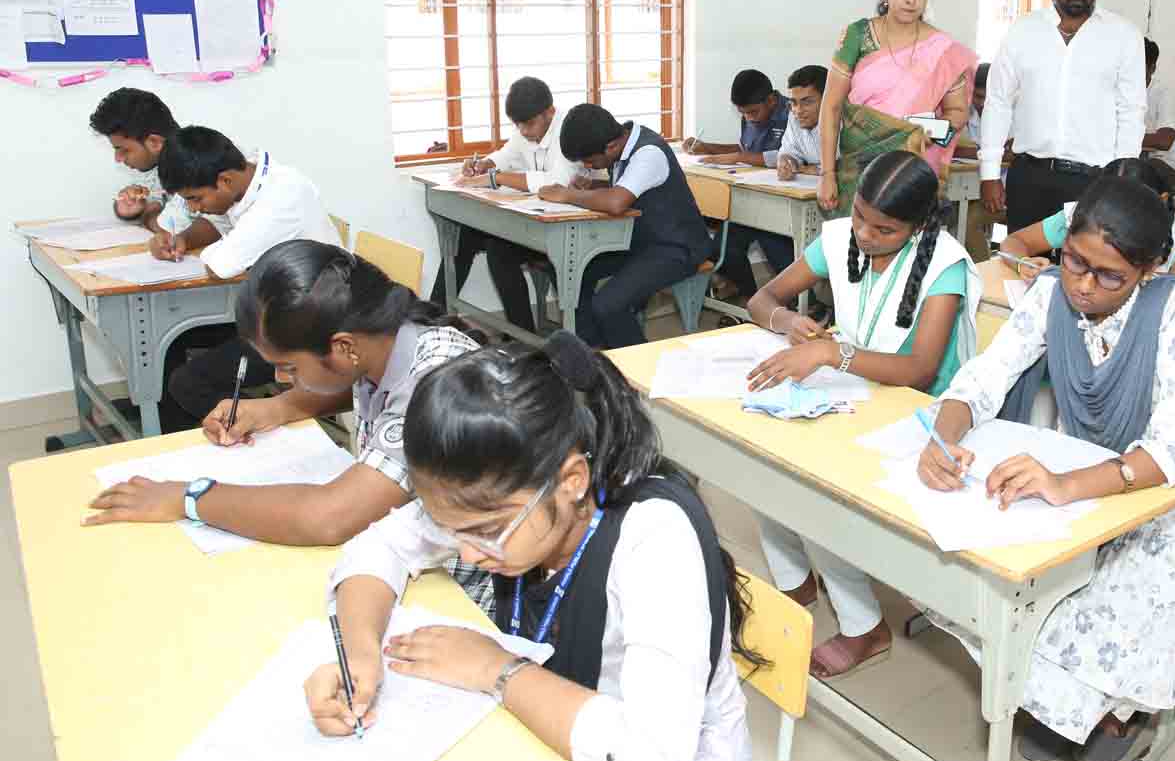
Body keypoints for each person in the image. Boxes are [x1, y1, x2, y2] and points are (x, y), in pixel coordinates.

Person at [305, 335, 801, 761]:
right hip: (546, 748)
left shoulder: (656, 542)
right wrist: (360, 653)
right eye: (450, 529)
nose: (468, 554)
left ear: (572, 481)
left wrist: (497, 670)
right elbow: (382, 544)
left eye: (486, 531)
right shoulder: (508, 498)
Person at [916, 175, 1175, 761]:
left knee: (1113, 606)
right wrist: (942, 438)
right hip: (1078, 482)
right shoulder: (1050, 293)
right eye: (1075, 261)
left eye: (1109, 277)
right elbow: (986, 376)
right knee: (994, 581)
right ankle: (1066, 702)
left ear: (1149, 270)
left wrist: (1064, 486)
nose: (1082, 284)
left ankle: (1117, 708)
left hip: (1155, 502)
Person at [84, 242, 494, 607]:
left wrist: (189, 498)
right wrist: (275, 409)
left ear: (343, 347)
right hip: (406, 559)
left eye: (290, 368)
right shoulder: (382, 340)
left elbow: (330, 516)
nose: (282, 379)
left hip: (468, 597)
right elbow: (362, 385)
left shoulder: (437, 382)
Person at [745, 151, 982, 679]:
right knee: (760, 459)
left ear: (918, 225)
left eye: (884, 229)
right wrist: (785, 320)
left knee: (821, 492)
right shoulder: (839, 239)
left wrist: (834, 354)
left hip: (922, 414)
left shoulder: (946, 265)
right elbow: (764, 297)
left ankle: (864, 626)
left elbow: (920, 370)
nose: (865, 234)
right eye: (858, 216)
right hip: (855, 395)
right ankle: (794, 582)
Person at [152, 127, 344, 431]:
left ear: (225, 181)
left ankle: (258, 429)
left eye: (195, 198)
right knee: (174, 343)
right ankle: (191, 437)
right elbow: (215, 227)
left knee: (187, 383)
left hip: (313, 328)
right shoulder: (246, 184)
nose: (194, 208)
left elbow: (220, 265)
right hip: (278, 312)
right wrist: (185, 239)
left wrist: (221, 246)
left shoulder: (282, 196)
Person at [977, 0, 1147, 234]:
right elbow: (998, 102)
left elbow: (1131, 112)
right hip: (1030, 178)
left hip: (1094, 184)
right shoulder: (1023, 32)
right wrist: (989, 172)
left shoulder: (1124, 36)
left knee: (1086, 263)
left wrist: (1122, 180)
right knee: (1022, 260)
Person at [816, 0, 976, 214]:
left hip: (909, 170)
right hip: (855, 167)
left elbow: (958, 113)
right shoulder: (858, 35)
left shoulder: (943, 49)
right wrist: (827, 174)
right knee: (852, 236)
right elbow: (831, 106)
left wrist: (926, 133)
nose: (911, 0)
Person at [545, 105, 709, 348]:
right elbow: (627, 188)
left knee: (608, 305)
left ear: (611, 146)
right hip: (639, 241)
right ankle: (593, 348)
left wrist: (567, 195)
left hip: (676, 247)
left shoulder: (649, 153)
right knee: (570, 268)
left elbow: (616, 202)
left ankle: (635, 365)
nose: (588, 166)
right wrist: (593, 187)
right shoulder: (621, 145)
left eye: (590, 161)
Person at [429, 76, 577, 334]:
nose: (524, 131)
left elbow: (556, 183)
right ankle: (432, 318)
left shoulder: (569, 130)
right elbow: (505, 155)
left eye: (528, 124)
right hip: (531, 221)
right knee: (463, 238)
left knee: (499, 251)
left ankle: (522, 336)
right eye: (518, 125)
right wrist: (484, 164)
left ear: (549, 112)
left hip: (562, 229)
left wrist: (496, 178)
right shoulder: (526, 130)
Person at [1000, 157, 1175, 283]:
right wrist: (1023, 264)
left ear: (1161, 200)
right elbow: (1015, 242)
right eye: (1108, 205)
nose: (1117, 217)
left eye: (1130, 207)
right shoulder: (1084, 213)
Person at [713, 66, 825, 302]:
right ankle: (752, 300)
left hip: (821, 204)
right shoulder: (795, 117)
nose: (798, 110)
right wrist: (787, 161)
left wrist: (809, 168)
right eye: (794, 103)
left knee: (769, 233)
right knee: (724, 242)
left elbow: (845, 166)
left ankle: (808, 305)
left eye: (807, 102)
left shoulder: (844, 123)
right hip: (777, 193)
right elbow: (788, 151)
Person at [87, 86, 194, 236]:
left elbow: (180, 228)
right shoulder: (155, 171)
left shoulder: (200, 166)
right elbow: (155, 209)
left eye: (123, 150)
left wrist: (149, 218)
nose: (118, 159)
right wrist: (132, 208)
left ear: (154, 143)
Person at [683, 69, 789, 166]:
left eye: (753, 112)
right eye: (742, 113)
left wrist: (739, 158)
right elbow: (745, 150)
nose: (748, 118)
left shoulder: (794, 113)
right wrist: (707, 147)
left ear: (771, 101)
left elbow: (792, 156)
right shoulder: (748, 114)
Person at [956, 63, 997, 263]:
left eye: (985, 97)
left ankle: (983, 275)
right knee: (953, 216)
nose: (980, 103)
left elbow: (1011, 153)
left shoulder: (1009, 113)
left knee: (966, 223)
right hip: (972, 188)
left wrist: (974, 150)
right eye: (977, 96)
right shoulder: (966, 111)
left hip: (1001, 193)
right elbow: (954, 147)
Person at [1139, 39, 1175, 190]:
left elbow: (1164, 141)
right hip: (1128, 159)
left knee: (1137, 171)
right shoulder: (1117, 92)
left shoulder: (1164, 94)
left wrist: (1122, 137)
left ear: (1152, 68)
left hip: (1165, 163)